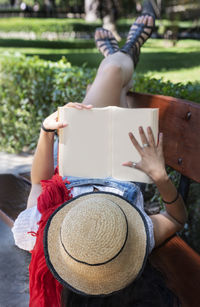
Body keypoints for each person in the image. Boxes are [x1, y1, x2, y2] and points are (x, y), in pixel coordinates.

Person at [12, 1, 187, 306]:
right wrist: (158, 175)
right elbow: (176, 216)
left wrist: (46, 130)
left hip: (80, 158)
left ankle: (123, 51)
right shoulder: (136, 240)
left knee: (110, 76)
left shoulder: (36, 234)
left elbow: (40, 183)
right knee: (115, 73)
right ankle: (129, 48)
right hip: (123, 166)